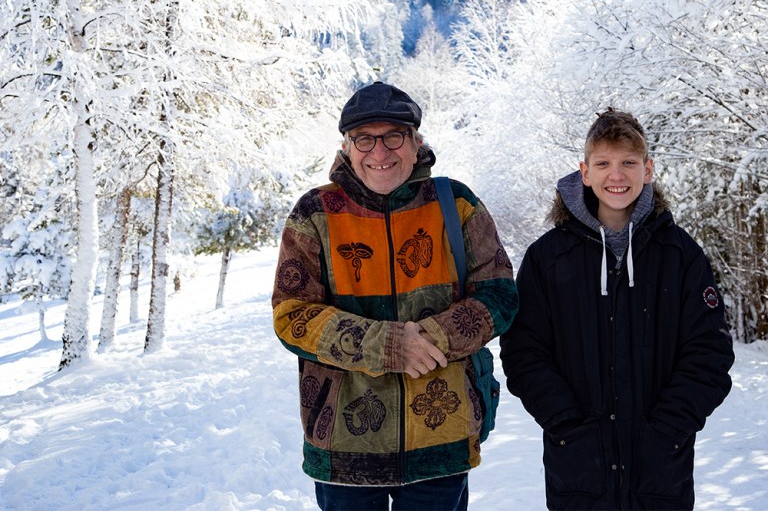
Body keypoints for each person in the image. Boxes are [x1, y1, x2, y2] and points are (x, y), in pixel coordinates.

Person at [272, 81, 518, 510]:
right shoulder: (315, 213)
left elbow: (499, 294)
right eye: (364, 139)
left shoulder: (455, 204)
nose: (380, 151)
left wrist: (432, 338)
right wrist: (386, 346)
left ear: (416, 142)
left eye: (394, 136)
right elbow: (292, 315)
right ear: (347, 147)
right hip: (344, 445)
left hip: (440, 438)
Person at [500, 108, 734, 511]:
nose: (617, 175)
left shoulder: (680, 255)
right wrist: (565, 422)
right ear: (585, 172)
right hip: (578, 467)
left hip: (660, 470)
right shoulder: (548, 258)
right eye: (603, 163)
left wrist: (669, 429)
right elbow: (524, 351)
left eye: (628, 162)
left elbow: (709, 351)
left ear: (648, 169)